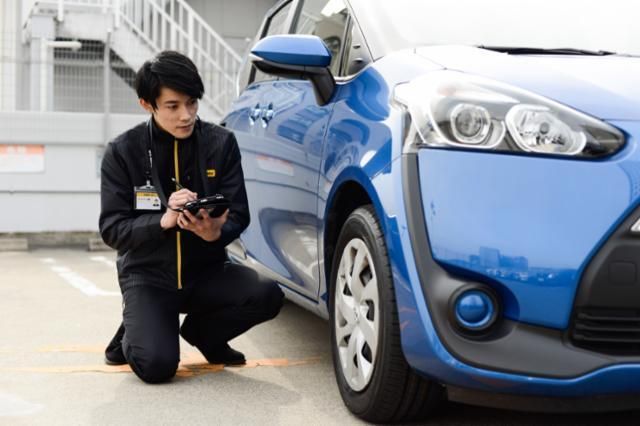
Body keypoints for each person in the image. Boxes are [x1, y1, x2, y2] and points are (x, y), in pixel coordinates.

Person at [99, 50, 284, 384]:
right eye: (172, 106)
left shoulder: (221, 143)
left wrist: (216, 232)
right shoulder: (123, 151)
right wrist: (163, 220)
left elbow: (239, 212)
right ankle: (135, 326)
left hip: (206, 273)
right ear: (147, 104)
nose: (185, 115)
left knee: (268, 295)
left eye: (192, 103)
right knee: (156, 367)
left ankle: (205, 335)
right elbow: (112, 229)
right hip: (149, 276)